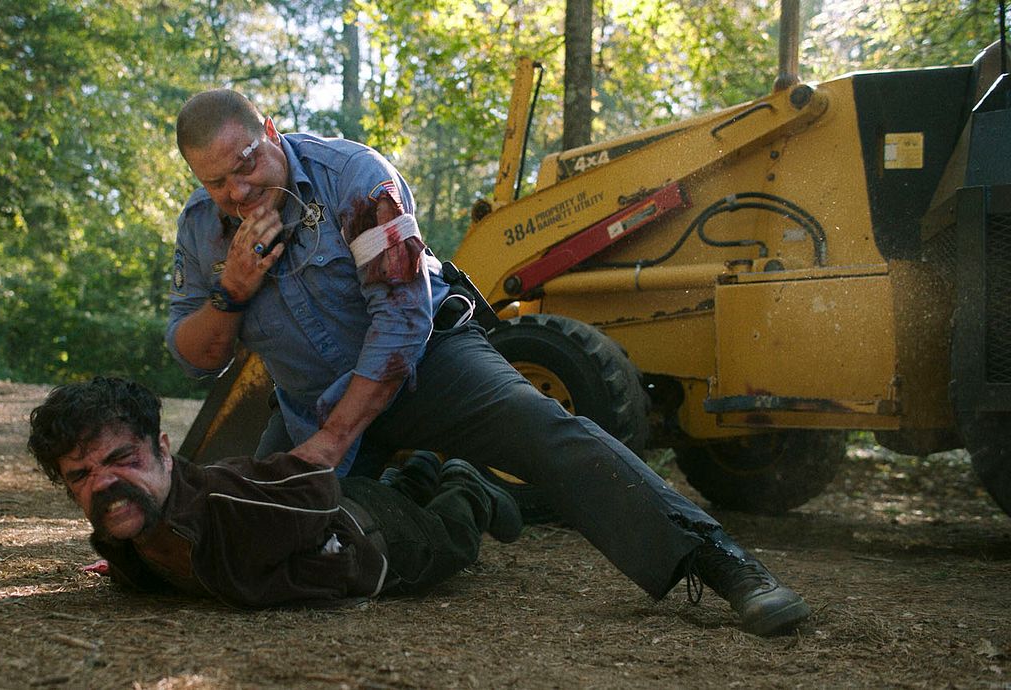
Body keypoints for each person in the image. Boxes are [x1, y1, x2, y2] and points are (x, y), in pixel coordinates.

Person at [165, 89, 811, 635]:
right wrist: (232, 291)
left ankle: (723, 565)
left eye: (247, 163)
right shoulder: (200, 229)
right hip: (312, 404)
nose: (239, 188)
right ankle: (454, 494)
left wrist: (336, 440)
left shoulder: (355, 178)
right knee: (274, 542)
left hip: (428, 364)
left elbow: (402, 317)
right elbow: (194, 358)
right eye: (215, 181)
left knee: (545, 430)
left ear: (271, 132)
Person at [26, 376, 523, 608]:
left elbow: (312, 488)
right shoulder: (127, 533)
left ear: (162, 449)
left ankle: (463, 481)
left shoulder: (227, 503)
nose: (104, 483)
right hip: (362, 505)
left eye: (122, 460)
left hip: (378, 541)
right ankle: (416, 470)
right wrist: (127, 565)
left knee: (452, 539)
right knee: (397, 488)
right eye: (81, 475)